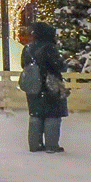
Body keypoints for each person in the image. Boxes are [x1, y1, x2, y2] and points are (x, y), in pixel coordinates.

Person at [22, 21, 68, 152]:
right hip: (49, 86)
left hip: (33, 86)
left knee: (35, 115)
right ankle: (51, 145)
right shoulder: (49, 48)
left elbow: (24, 65)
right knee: (52, 115)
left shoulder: (28, 48)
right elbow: (58, 66)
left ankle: (34, 144)